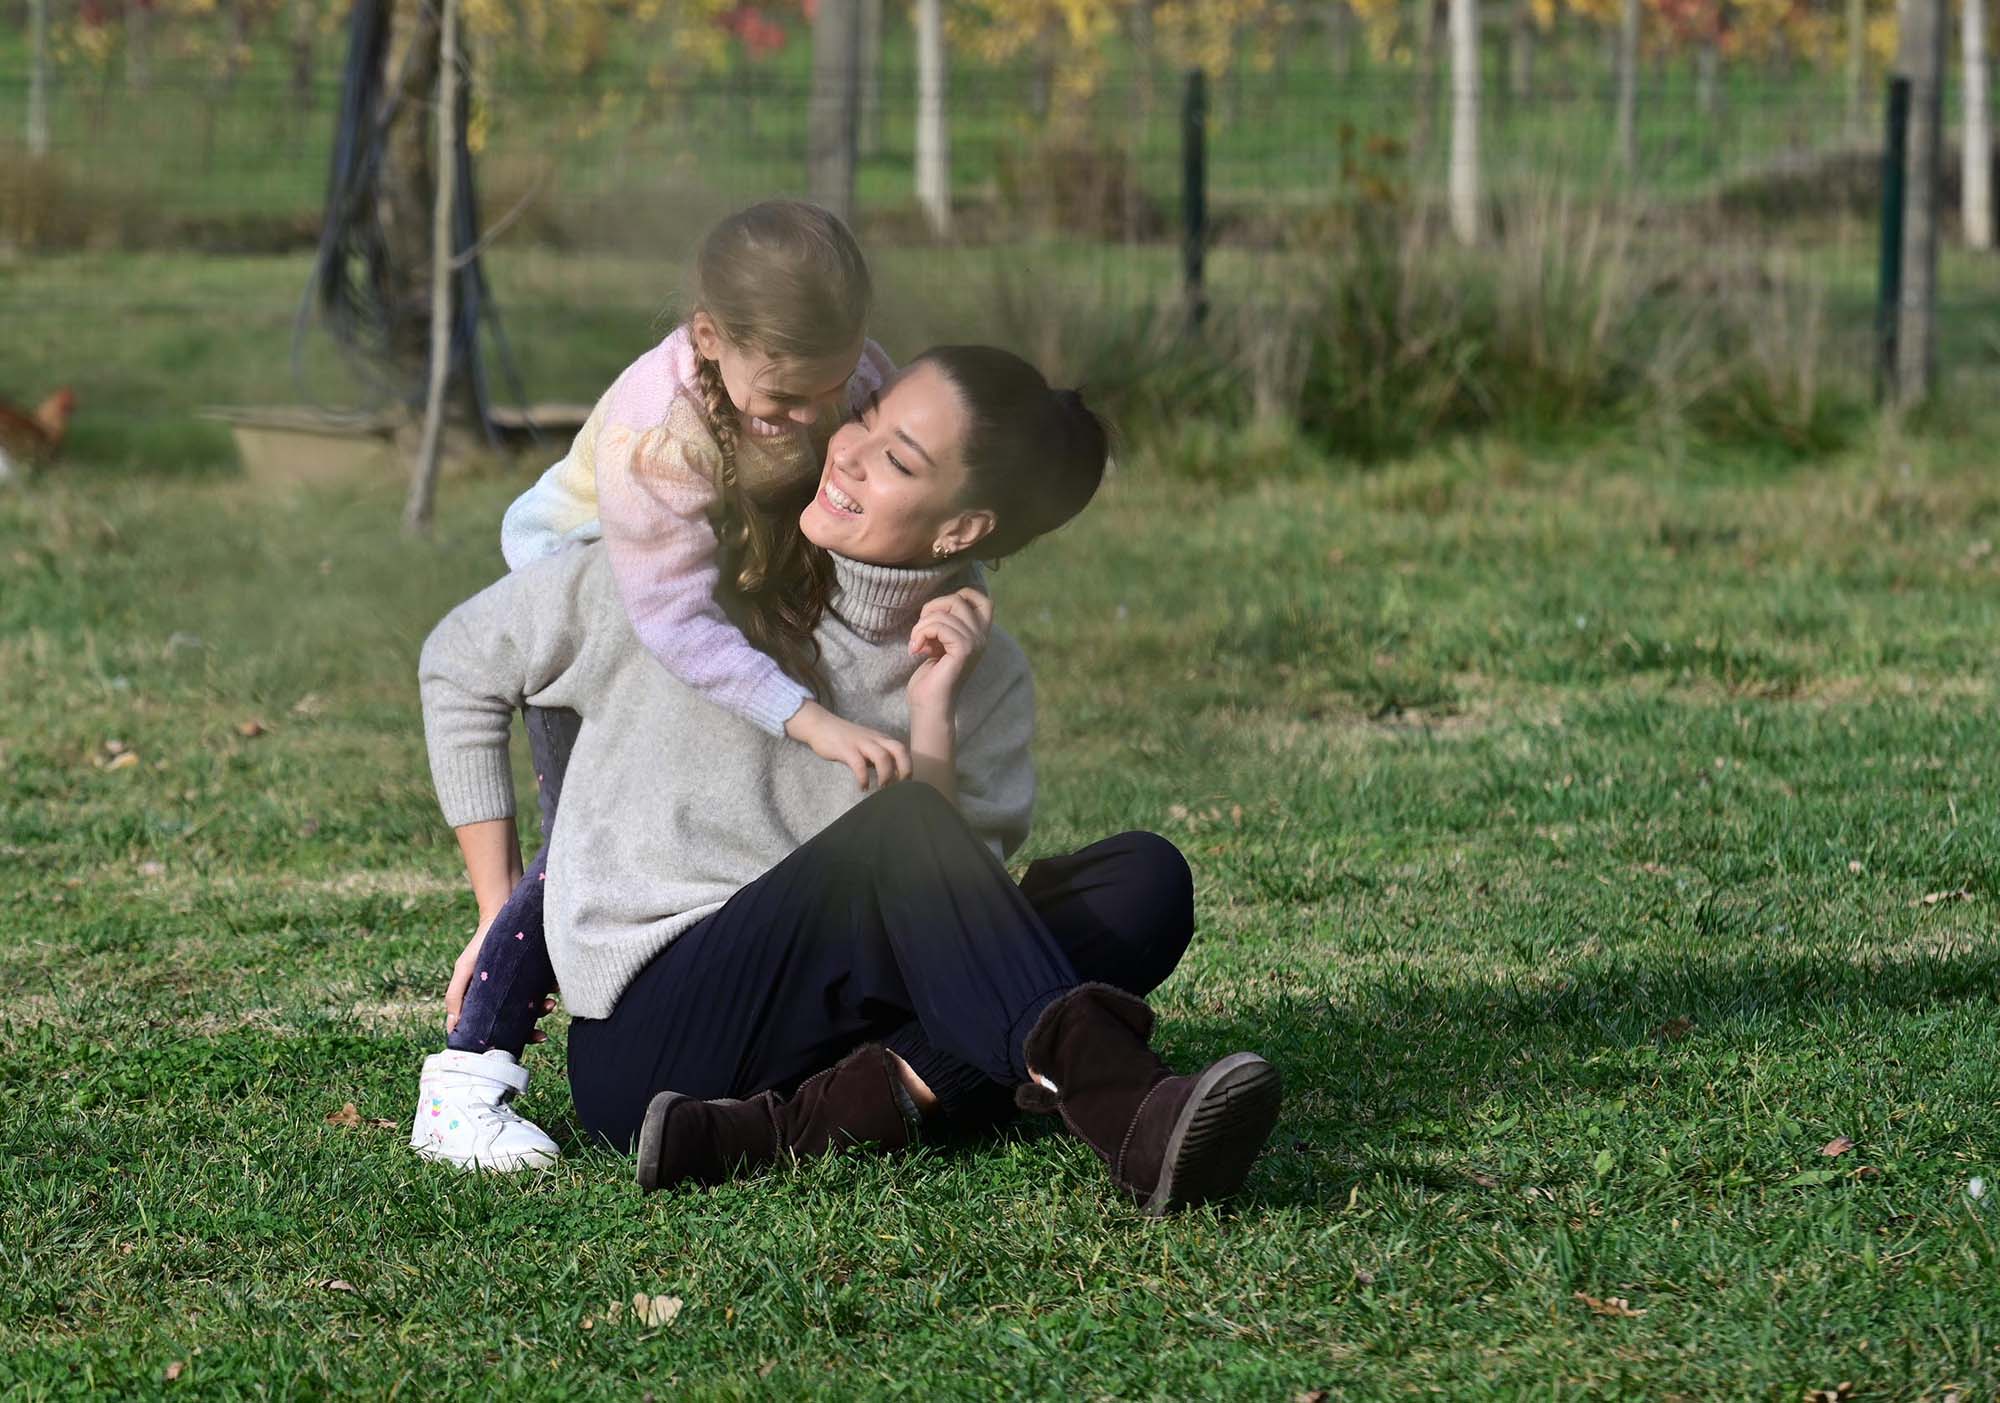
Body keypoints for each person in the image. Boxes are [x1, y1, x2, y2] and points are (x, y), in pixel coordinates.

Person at [417, 347, 1283, 1214]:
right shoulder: (683, 571)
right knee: (912, 833)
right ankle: (1124, 1105)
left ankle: (778, 1131)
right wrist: (499, 911)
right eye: (865, 418)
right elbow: (458, 663)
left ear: (962, 530)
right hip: (652, 1042)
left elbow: (957, 933)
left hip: (832, 1022)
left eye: (897, 458)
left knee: (1144, 883)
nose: (850, 453)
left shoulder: (985, 672)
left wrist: (932, 708)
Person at [411, 201, 916, 1168]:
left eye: (832, 386)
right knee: (591, 850)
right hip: (611, 588)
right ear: (710, 338)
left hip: (721, 572)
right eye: (784, 400)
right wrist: (805, 717)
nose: (814, 417)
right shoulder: (657, 432)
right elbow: (672, 616)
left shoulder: (851, 377)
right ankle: (466, 1076)